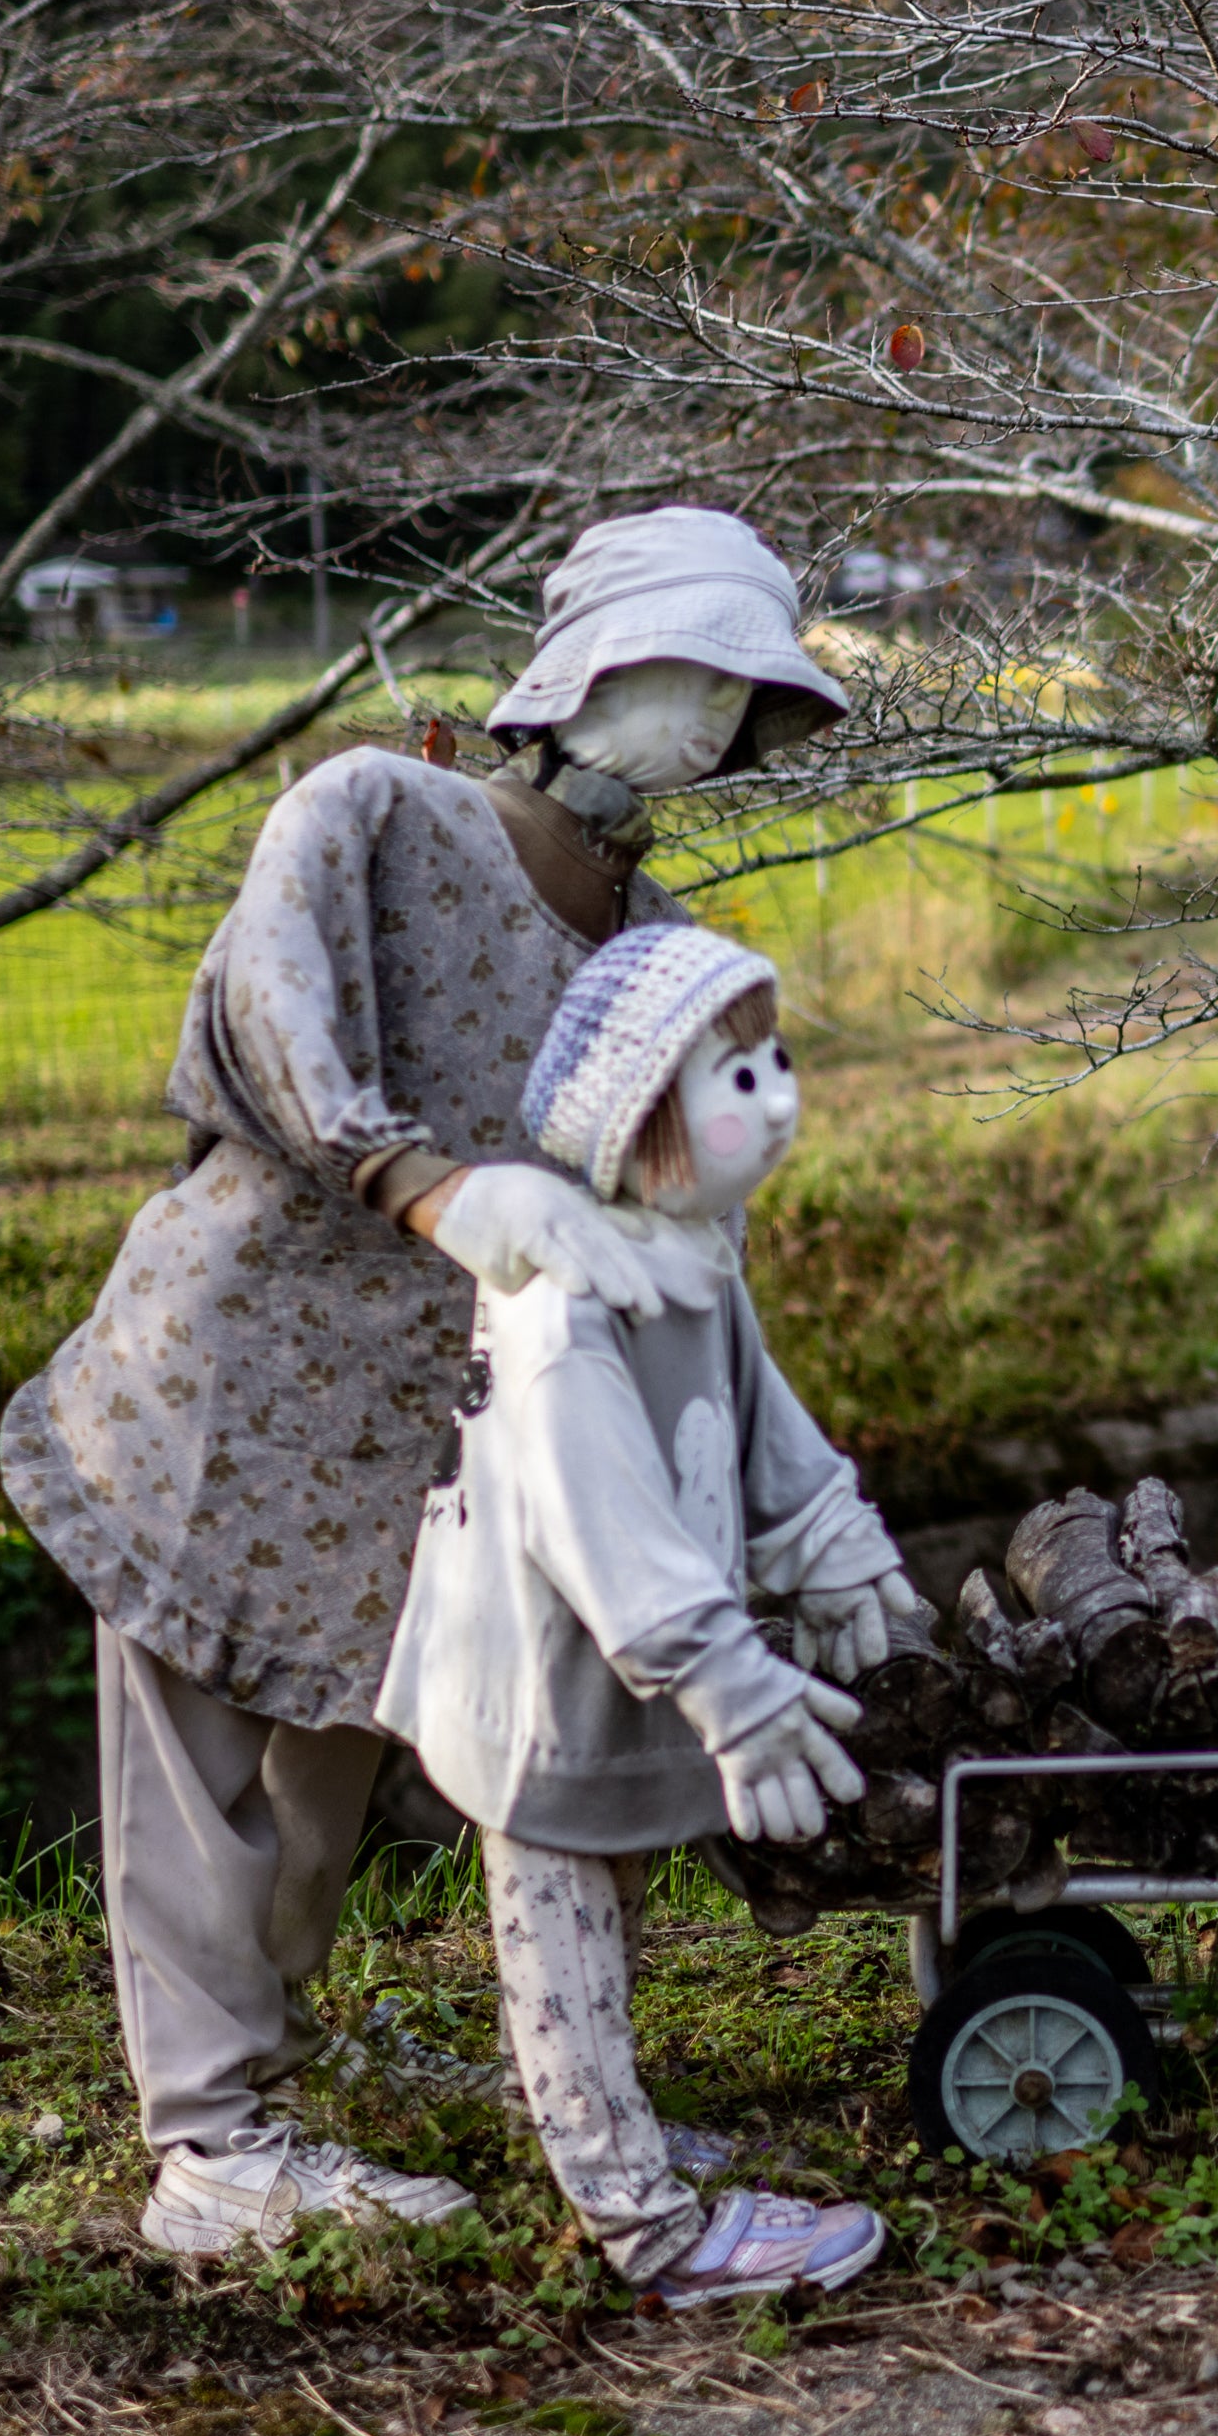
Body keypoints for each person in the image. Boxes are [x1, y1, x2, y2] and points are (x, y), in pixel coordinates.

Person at [1, 507, 859, 2255]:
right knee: (196, 1779)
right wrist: (423, 1179)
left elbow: (670, 1199)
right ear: (588, 670)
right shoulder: (374, 812)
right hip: (231, 1376)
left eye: (744, 691)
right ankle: (213, 2151)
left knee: (325, 1775)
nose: (712, 718)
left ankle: (289, 2062)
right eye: (689, 668)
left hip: (426, 1435)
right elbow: (273, 1016)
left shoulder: (660, 941)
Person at [376, 925, 913, 2306]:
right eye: (733, 1077)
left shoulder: (689, 1262)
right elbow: (601, 1530)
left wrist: (832, 1548)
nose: (776, 1098)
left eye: (775, 1061)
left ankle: (584, 2119)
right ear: (639, 1117)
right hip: (544, 1681)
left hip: (616, 1679)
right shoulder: (565, 1312)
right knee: (559, 1929)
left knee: (605, 1916)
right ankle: (647, 2229)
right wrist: (731, 1687)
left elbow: (758, 1430)